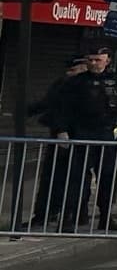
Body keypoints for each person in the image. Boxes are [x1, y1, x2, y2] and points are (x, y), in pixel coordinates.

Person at [53, 50, 117, 231]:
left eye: (98, 60)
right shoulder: (76, 82)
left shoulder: (116, 82)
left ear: (107, 60)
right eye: (90, 60)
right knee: (76, 178)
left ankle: (105, 216)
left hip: (106, 134)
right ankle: (70, 217)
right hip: (81, 133)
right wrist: (62, 130)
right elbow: (63, 108)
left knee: (108, 178)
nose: (94, 63)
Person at [20, 56, 89, 230]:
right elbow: (49, 103)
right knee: (51, 177)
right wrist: (24, 111)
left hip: (81, 136)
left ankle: (75, 215)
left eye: (74, 69)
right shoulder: (62, 85)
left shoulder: (90, 86)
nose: (69, 73)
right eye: (69, 70)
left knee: (77, 179)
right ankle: (44, 215)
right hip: (59, 136)